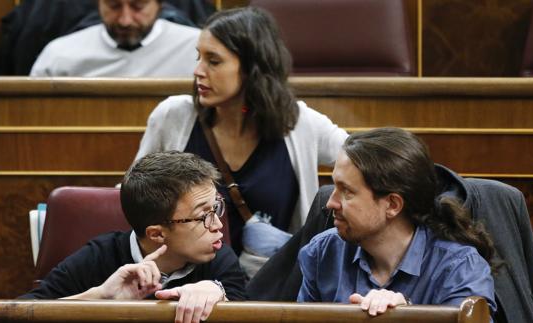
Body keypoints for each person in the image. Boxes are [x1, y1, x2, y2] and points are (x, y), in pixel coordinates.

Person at [134, 7, 348, 261]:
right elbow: (135, 197)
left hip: (271, 287)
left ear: (251, 67)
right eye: (198, 58)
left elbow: (367, 162)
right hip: (187, 283)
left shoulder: (301, 124)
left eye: (213, 61)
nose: (198, 71)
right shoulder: (172, 116)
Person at [21, 151, 247, 323]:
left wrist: (219, 293)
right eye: (202, 216)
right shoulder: (99, 256)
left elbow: (249, 308)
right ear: (157, 233)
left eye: (216, 207)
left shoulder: (218, 256)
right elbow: (18, 312)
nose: (217, 224)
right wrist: (99, 297)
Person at [297, 128, 497, 318]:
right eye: (334, 187)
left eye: (347, 191)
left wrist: (409, 316)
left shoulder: (459, 268)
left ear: (392, 205)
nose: (331, 203)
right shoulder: (322, 252)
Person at [29, 0, 200, 77]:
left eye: (138, 7)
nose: (125, 20)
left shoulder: (198, 48)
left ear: (160, 5)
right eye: (114, 6)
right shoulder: (59, 54)